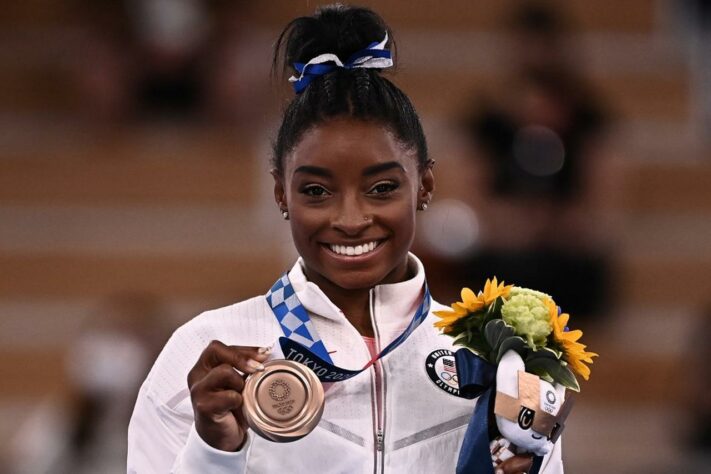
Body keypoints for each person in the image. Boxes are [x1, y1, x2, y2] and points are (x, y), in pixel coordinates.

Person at [127, 5, 563, 473]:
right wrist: (214, 453)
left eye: (381, 188)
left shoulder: (495, 361)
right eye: (316, 191)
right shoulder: (208, 354)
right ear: (281, 194)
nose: (351, 219)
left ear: (425, 187)